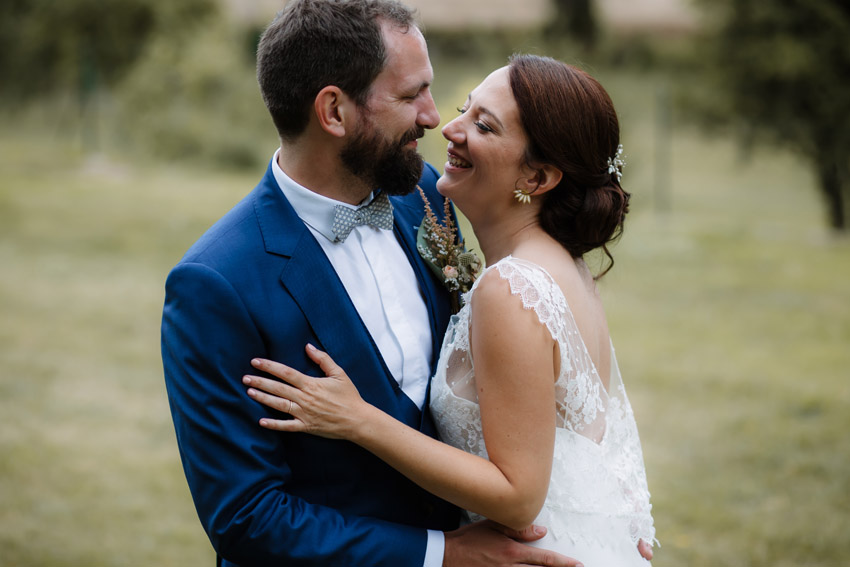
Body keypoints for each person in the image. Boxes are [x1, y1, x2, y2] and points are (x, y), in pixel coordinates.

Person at [161, 0, 583, 565]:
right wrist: (442, 555)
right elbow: (247, 517)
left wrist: (585, 515)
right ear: (333, 111)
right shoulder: (216, 283)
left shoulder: (429, 196)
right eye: (411, 95)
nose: (435, 118)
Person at [241, 54, 658, 565]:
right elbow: (595, 429)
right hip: (578, 539)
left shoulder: (511, 288)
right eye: (465, 108)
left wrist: (359, 420)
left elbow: (520, 495)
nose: (448, 128)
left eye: (483, 126)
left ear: (538, 177)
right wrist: (615, 521)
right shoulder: (562, 266)